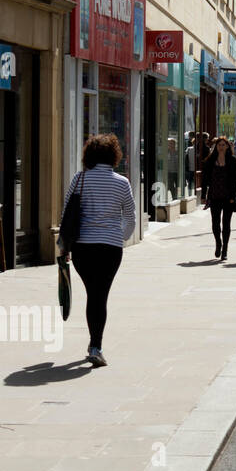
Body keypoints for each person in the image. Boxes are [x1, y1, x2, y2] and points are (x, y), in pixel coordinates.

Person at [59, 133, 136, 368]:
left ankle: (95, 344)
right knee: (100, 295)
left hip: (83, 246)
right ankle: (96, 346)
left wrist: (64, 247)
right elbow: (131, 218)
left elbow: (66, 214)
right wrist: (119, 237)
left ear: (89, 154)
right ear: (114, 156)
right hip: (110, 248)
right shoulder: (122, 182)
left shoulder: (80, 178)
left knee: (93, 294)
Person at [201, 136, 236, 261]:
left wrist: (233, 195)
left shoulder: (233, 160)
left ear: (228, 146)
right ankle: (218, 243)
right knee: (215, 223)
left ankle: (225, 250)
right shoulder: (210, 160)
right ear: (216, 147)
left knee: (226, 224)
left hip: (228, 197)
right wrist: (203, 195)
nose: (221, 147)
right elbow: (205, 179)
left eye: (224, 145)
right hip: (214, 196)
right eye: (219, 145)